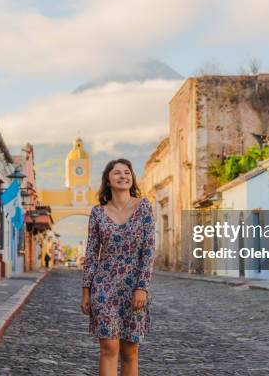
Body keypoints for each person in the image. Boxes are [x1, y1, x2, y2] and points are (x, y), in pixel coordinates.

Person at [80, 159, 155, 376]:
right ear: (108, 180)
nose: (123, 176)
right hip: (104, 285)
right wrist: (86, 291)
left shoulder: (144, 207)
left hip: (133, 285)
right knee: (109, 347)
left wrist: (142, 287)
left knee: (130, 350)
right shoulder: (97, 213)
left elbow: (148, 250)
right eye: (117, 173)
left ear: (132, 178)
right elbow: (92, 254)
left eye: (127, 172)